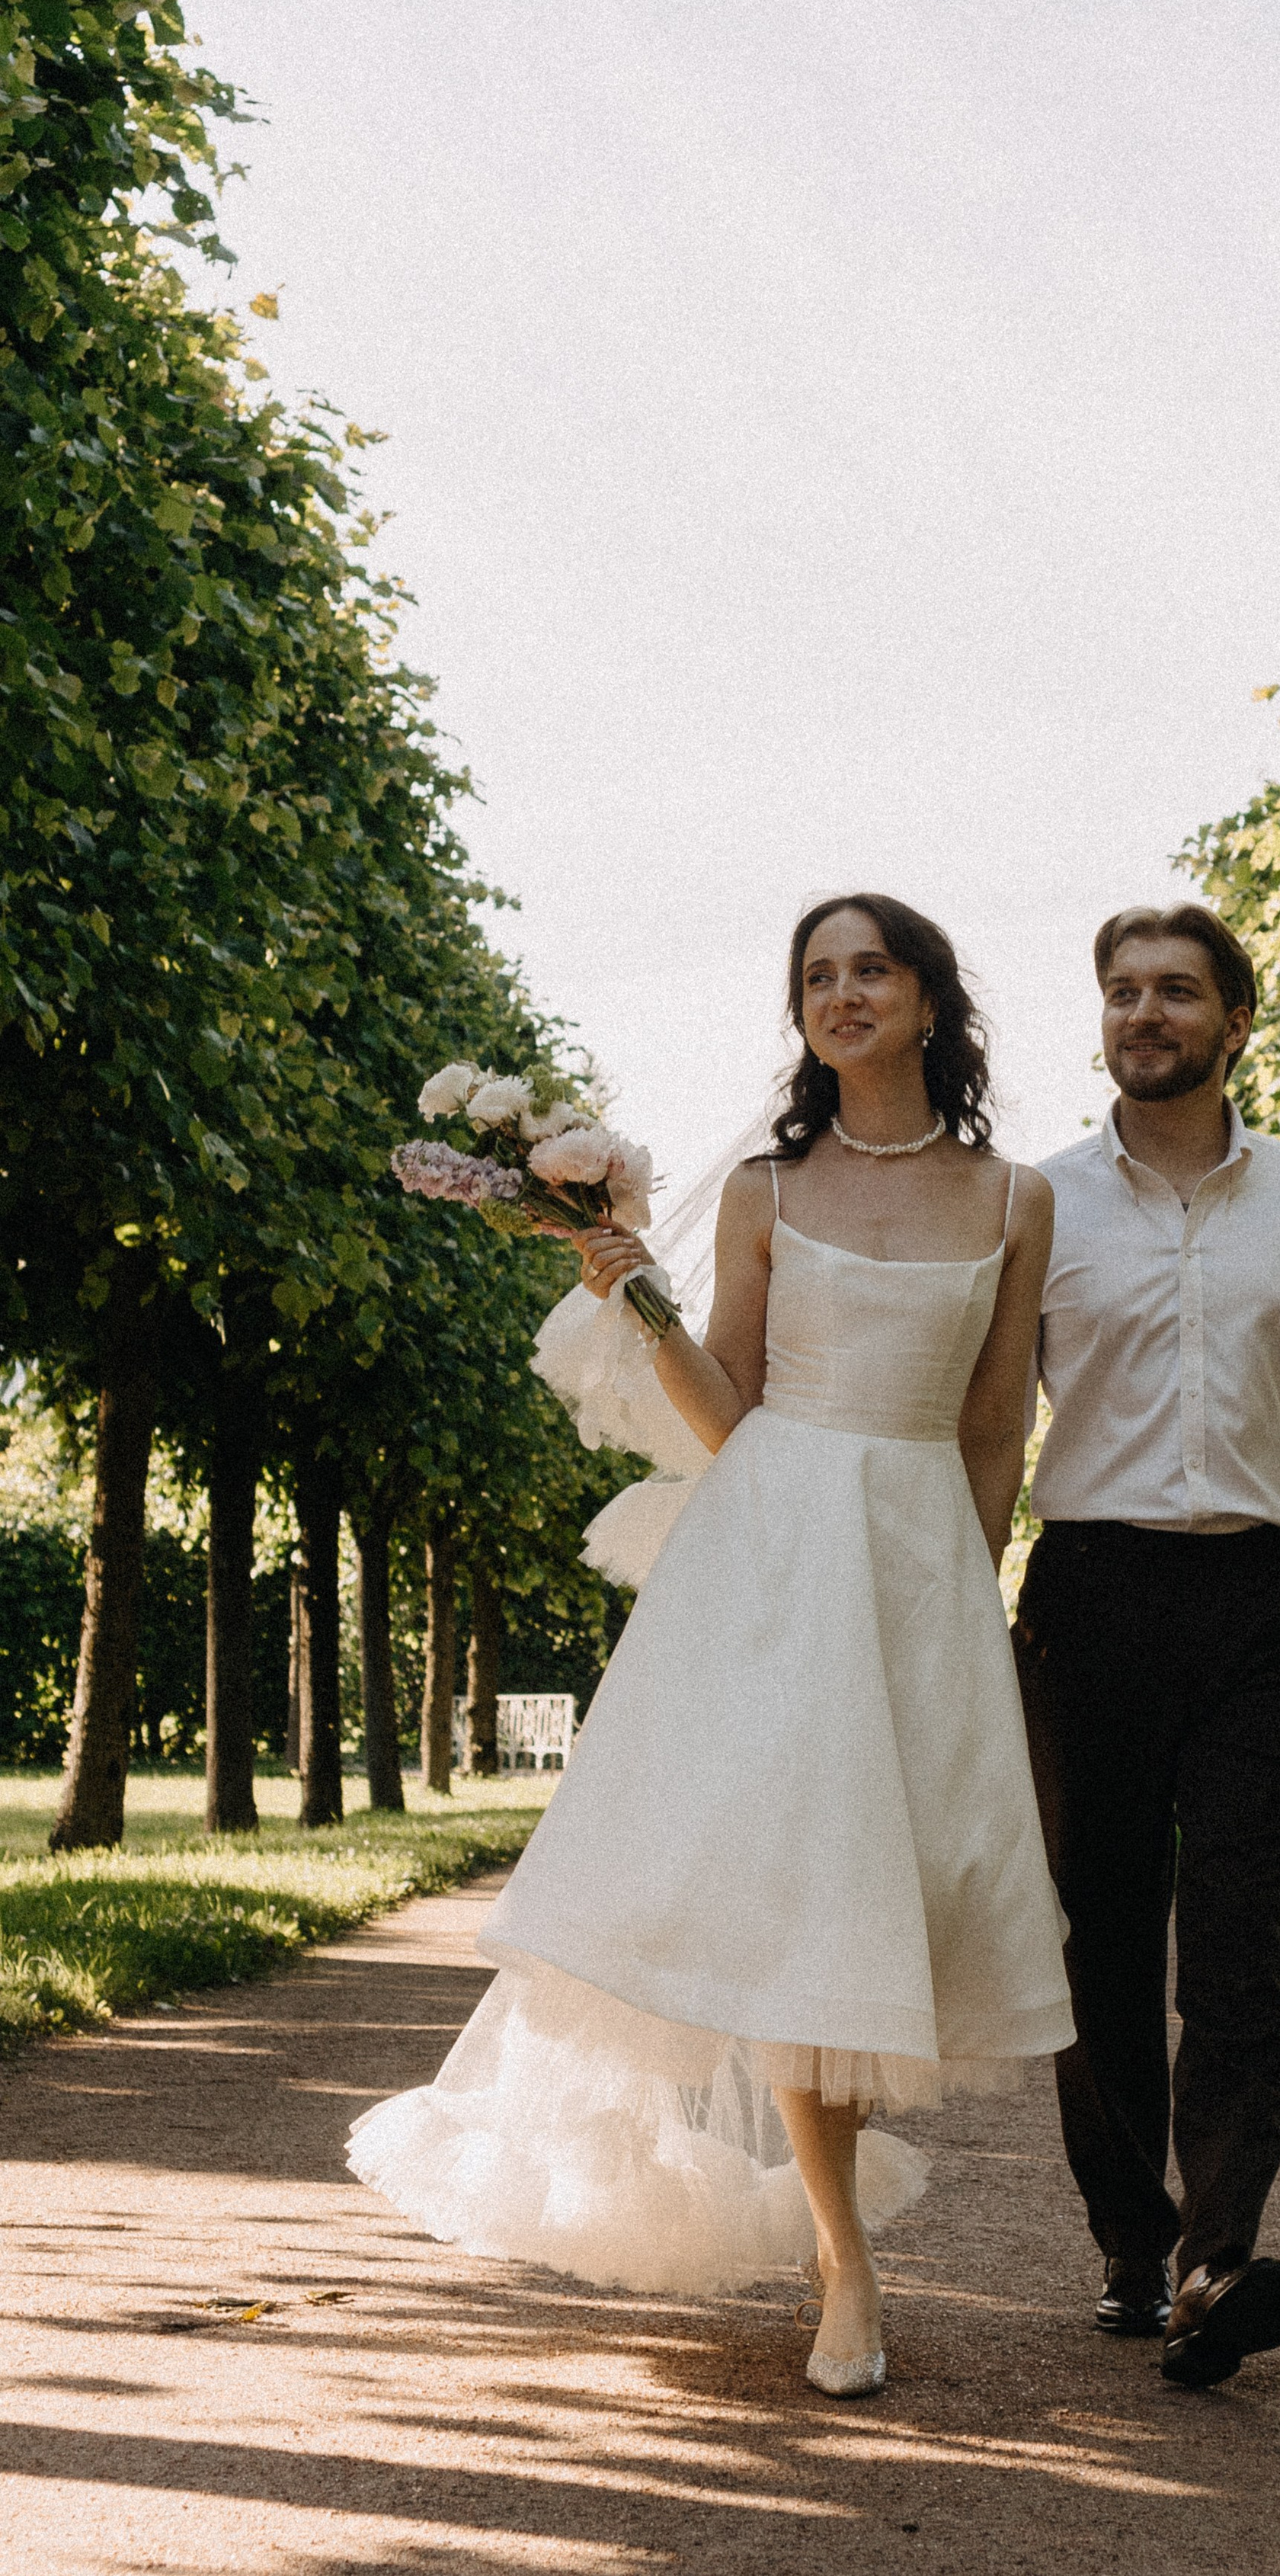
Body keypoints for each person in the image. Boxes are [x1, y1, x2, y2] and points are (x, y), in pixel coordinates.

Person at [350, 895, 1071, 2400]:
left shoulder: (1012, 1198)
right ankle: (847, 2267)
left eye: (870, 969)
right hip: (769, 1555)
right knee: (808, 1891)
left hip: (919, 1564)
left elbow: (997, 1420)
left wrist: (971, 1591)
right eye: (816, 975)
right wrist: (630, 1294)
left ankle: (831, 2240)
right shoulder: (763, 1189)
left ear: (930, 1003)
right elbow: (729, 1414)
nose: (841, 993)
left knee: (872, 1900)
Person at [1016, 902, 1280, 2389]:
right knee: (1099, 1940)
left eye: (1175, 991)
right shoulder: (1038, 1204)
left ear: (1233, 1022)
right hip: (1088, 1607)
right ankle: (1129, 2244)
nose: (1144, 1012)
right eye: (1122, 991)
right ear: (1102, 1022)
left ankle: (1215, 2253)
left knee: (1241, 1937)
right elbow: (970, 1410)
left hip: (1274, 1605)